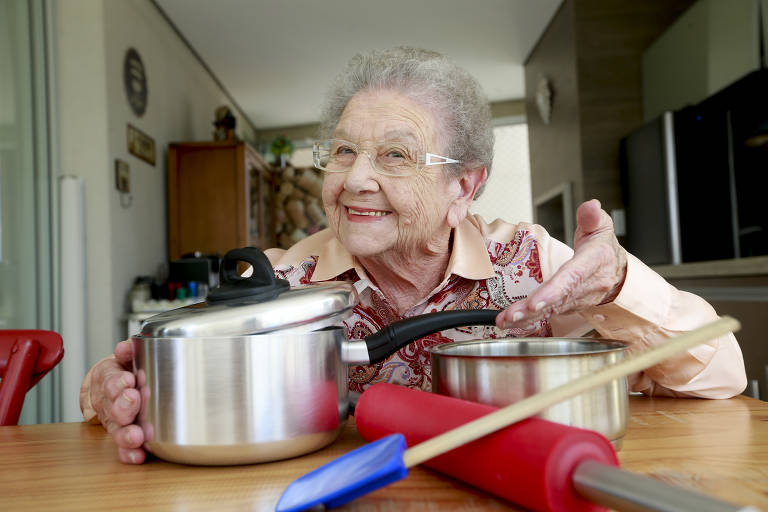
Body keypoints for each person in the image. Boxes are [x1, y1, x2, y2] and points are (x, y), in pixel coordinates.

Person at [80, 47, 747, 464]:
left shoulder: (535, 268)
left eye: (395, 155)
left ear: (465, 185)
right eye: (343, 151)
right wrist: (112, 393)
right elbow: (131, 378)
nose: (354, 179)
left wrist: (617, 282)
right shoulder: (283, 286)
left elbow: (722, 373)